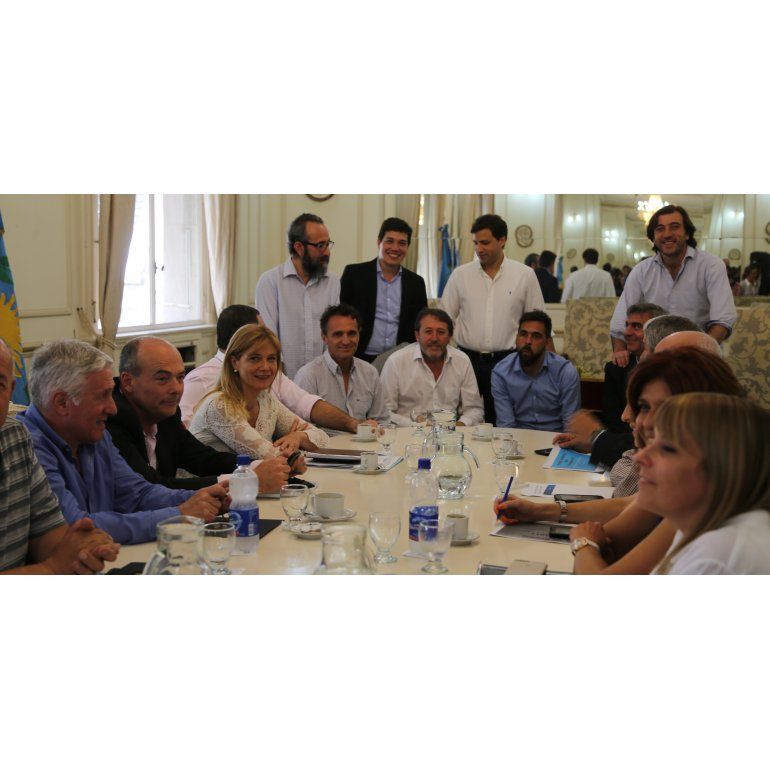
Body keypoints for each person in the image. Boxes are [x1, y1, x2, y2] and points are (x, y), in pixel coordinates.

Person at [497, 349, 746, 574]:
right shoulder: (692, 496)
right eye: (642, 406)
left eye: (655, 408)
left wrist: (584, 545)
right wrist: (539, 511)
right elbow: (622, 517)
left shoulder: (716, 536)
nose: (629, 417)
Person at [17, 340, 226, 545]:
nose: (113, 408)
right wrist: (179, 514)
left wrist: (203, 499)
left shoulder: (93, 435)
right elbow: (75, 527)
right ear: (62, 402)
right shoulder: (25, 448)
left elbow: (138, 494)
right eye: (102, 396)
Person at [107, 337, 293, 492]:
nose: (176, 389)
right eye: (162, 379)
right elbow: (151, 487)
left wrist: (256, 467)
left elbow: (202, 458)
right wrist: (246, 480)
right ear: (128, 382)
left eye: (180, 377)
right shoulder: (111, 421)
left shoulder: (165, 413)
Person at [0, 339, 120, 574]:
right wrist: (51, 568)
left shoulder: (15, 437)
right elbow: (53, 564)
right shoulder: (36, 438)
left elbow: (47, 533)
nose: (113, 408)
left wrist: (82, 551)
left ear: (11, 390)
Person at [180, 304, 367, 434]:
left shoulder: (266, 382)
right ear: (242, 338)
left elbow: (305, 404)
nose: (266, 366)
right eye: (261, 332)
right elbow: (186, 437)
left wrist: (353, 424)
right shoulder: (199, 380)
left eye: (271, 359)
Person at [639, 393, 770, 574]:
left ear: (724, 468)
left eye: (668, 448)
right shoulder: (701, 528)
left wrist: (594, 545)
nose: (639, 456)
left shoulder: (718, 553)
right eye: (652, 442)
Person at [441, 214, 544, 424]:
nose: (479, 249)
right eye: (476, 243)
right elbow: (444, 318)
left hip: (510, 362)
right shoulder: (461, 275)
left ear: (502, 240)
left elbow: (538, 322)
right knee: (466, 422)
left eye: (485, 243)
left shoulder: (524, 275)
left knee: (504, 423)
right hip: (467, 361)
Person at [609, 205, 737, 358]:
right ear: (653, 237)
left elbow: (722, 321)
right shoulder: (641, 270)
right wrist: (620, 352)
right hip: (654, 358)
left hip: (701, 356)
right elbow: (619, 322)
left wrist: (698, 354)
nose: (667, 234)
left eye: (674, 227)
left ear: (687, 233)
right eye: (660, 229)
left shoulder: (711, 266)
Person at [190, 324, 330, 457]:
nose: (265, 367)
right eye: (255, 359)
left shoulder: (266, 401)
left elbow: (323, 438)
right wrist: (293, 450)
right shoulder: (220, 405)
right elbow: (270, 457)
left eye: (271, 359)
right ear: (234, 362)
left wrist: (298, 437)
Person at [254, 213, 340, 378]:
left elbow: (331, 334)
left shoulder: (333, 282)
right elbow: (268, 337)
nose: (327, 252)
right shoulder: (270, 282)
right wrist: (282, 383)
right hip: (281, 378)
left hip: (322, 379)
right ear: (299, 247)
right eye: (320, 245)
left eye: (328, 244)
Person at [339, 217, 428, 363]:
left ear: (407, 247)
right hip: (359, 356)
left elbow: (421, 324)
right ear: (379, 242)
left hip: (400, 360)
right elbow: (341, 316)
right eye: (389, 241)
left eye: (402, 243)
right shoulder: (354, 274)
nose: (395, 248)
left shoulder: (416, 283)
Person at [380, 308, 484, 427]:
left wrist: (459, 426)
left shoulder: (462, 361)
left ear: (450, 336)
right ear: (417, 335)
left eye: (441, 332)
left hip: (449, 434)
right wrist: (419, 426)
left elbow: (474, 410)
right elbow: (384, 413)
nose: (434, 338)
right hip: (407, 433)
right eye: (428, 332)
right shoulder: (396, 362)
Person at [294, 304, 389, 423]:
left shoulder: (370, 373)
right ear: (324, 337)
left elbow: (381, 421)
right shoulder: (309, 375)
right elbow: (300, 426)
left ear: (359, 335)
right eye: (338, 334)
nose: (346, 341)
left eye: (351, 333)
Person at [490, 310, 580, 431]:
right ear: (516, 337)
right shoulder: (501, 372)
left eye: (536, 336)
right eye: (523, 334)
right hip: (518, 438)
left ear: (547, 342)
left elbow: (571, 427)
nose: (528, 341)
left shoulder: (565, 372)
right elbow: (506, 426)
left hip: (555, 438)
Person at [602, 302, 666, 431]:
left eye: (636, 326)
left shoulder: (670, 370)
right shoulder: (616, 368)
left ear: (656, 331)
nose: (626, 333)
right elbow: (612, 423)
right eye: (627, 325)